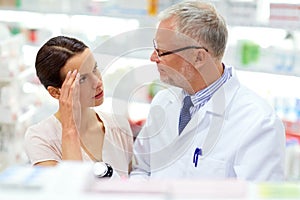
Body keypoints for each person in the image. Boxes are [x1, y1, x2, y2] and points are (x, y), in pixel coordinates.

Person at [130, 0, 286, 181]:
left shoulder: (258, 122)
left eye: (162, 51)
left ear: (198, 57)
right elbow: (142, 170)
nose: (153, 57)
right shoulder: (163, 101)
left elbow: (257, 194)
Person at [24, 36, 133, 177]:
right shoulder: (40, 138)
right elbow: (69, 192)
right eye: (82, 79)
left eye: (95, 69)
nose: (97, 82)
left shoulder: (119, 127)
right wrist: (70, 128)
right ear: (56, 92)